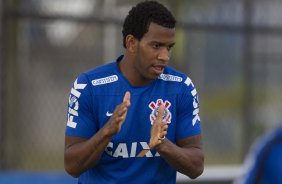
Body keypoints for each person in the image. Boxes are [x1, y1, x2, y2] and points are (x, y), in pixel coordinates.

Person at [64, 1, 204, 183]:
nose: (165, 56)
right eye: (156, 46)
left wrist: (163, 145)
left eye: (169, 47)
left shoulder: (181, 87)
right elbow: (72, 166)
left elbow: (196, 166)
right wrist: (107, 132)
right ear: (131, 43)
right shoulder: (89, 86)